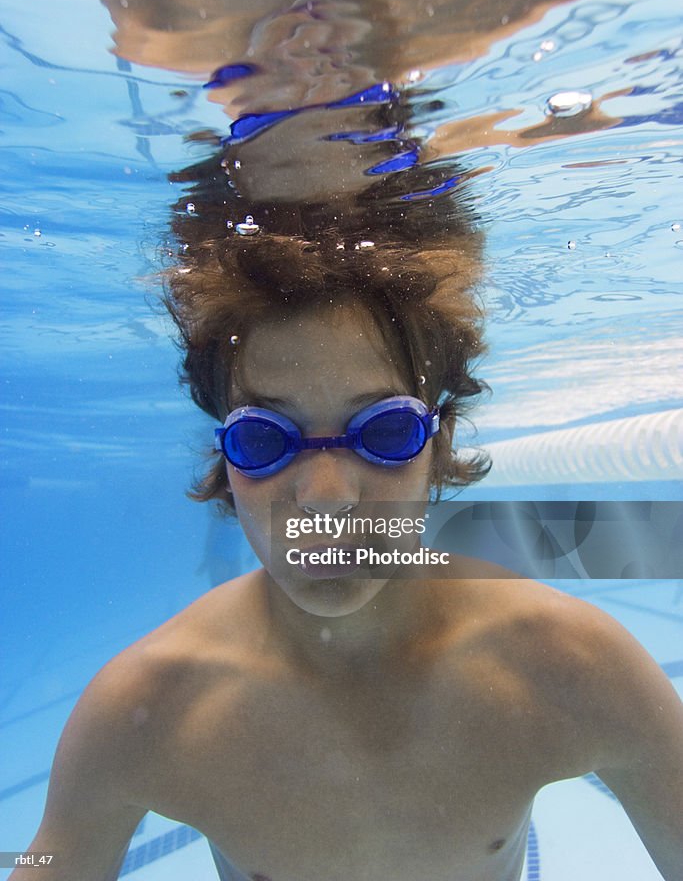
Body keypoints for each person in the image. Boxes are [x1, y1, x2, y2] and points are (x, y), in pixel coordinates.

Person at [10, 157, 683, 881]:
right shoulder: (144, 712)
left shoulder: (570, 667)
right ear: (226, 466)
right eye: (265, 438)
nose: (326, 496)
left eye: (383, 432)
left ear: (440, 447)